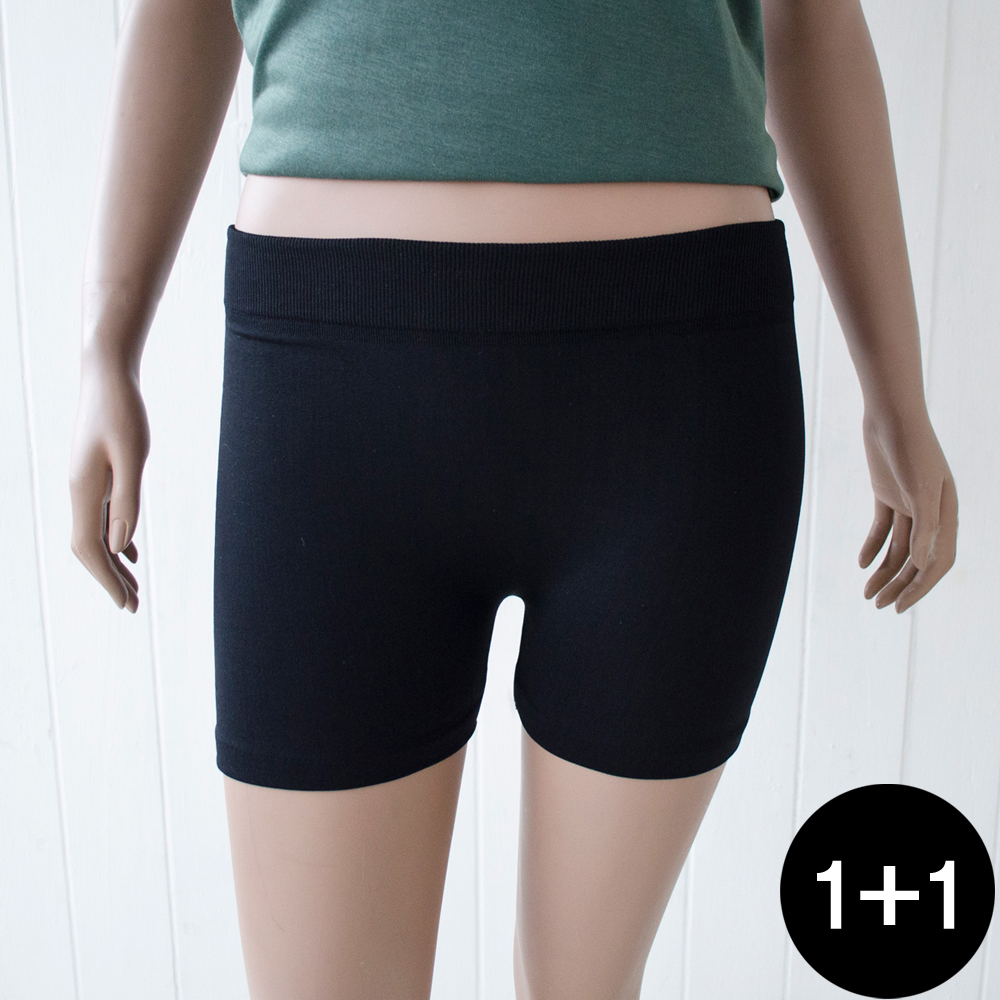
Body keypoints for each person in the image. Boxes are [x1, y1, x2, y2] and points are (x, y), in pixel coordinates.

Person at [69, 0, 958, 996]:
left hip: (679, 388)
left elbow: (814, 21)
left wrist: (896, 391)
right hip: (328, 386)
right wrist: (108, 342)